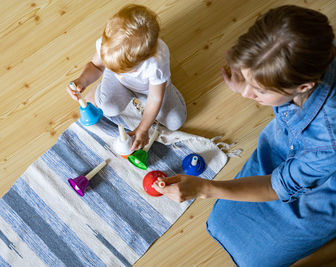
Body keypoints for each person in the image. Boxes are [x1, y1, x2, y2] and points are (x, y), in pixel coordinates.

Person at [153, 5, 336, 266]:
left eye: (259, 91)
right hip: (296, 148)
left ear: (304, 86)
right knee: (221, 220)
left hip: (325, 181)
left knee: (254, 259)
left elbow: (274, 186)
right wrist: (251, 83)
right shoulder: (312, 45)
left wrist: (206, 188)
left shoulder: (328, 140)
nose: (248, 93)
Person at [67, 4, 187, 151]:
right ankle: (98, 91)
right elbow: (96, 66)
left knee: (176, 121)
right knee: (108, 107)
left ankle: (167, 87)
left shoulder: (156, 62)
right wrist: (82, 80)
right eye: (110, 65)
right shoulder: (109, 44)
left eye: (119, 68)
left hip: (150, 89)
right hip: (120, 82)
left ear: (144, 59)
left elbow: (155, 98)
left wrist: (143, 129)